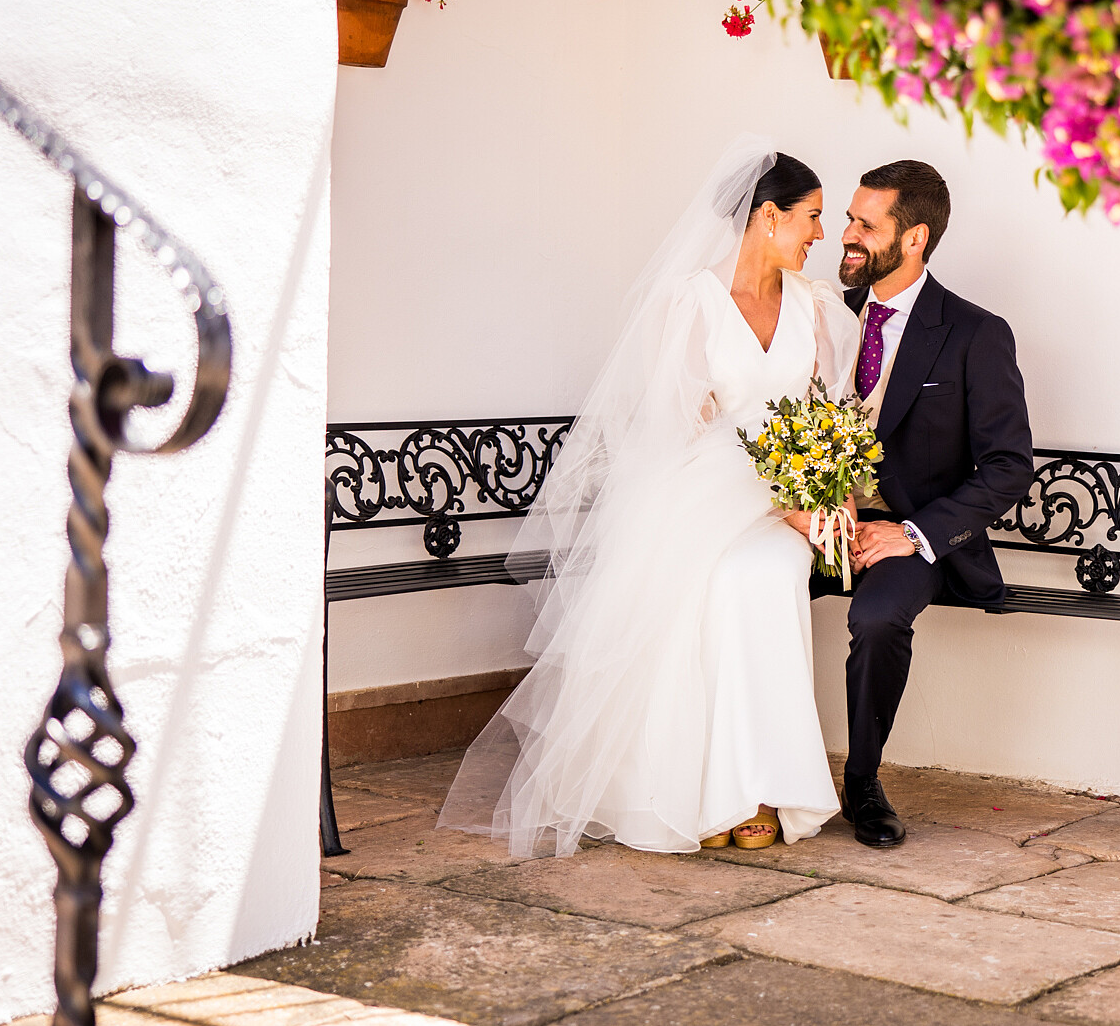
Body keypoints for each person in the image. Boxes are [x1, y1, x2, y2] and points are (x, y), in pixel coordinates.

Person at [440, 139, 859, 855]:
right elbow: (687, 429)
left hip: (785, 505)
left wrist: (827, 496)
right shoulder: (689, 302)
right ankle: (700, 794)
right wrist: (783, 498)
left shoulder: (817, 308)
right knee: (706, 581)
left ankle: (762, 787)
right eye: (812, 216)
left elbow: (828, 418)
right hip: (710, 488)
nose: (821, 235)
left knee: (756, 576)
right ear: (767, 216)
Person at [814, 160, 1036, 848]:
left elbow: (1008, 466)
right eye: (848, 218)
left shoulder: (974, 332)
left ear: (914, 237)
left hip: (909, 535)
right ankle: (740, 774)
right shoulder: (824, 316)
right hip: (818, 524)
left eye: (863, 224)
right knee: (736, 580)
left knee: (878, 617)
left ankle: (863, 781)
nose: (846, 235)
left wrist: (911, 534)